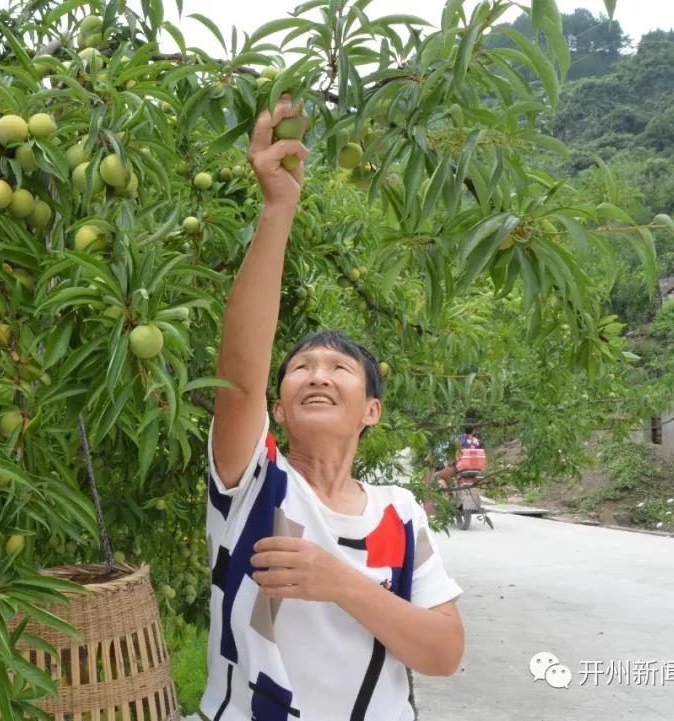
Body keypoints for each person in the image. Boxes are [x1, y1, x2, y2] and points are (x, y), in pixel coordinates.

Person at [200, 96, 464, 721]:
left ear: (371, 410)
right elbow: (237, 376)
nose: (317, 375)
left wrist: (339, 582)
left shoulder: (400, 514)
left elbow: (444, 651)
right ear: (279, 410)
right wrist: (278, 208)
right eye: (299, 370)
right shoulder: (256, 489)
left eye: (339, 369)